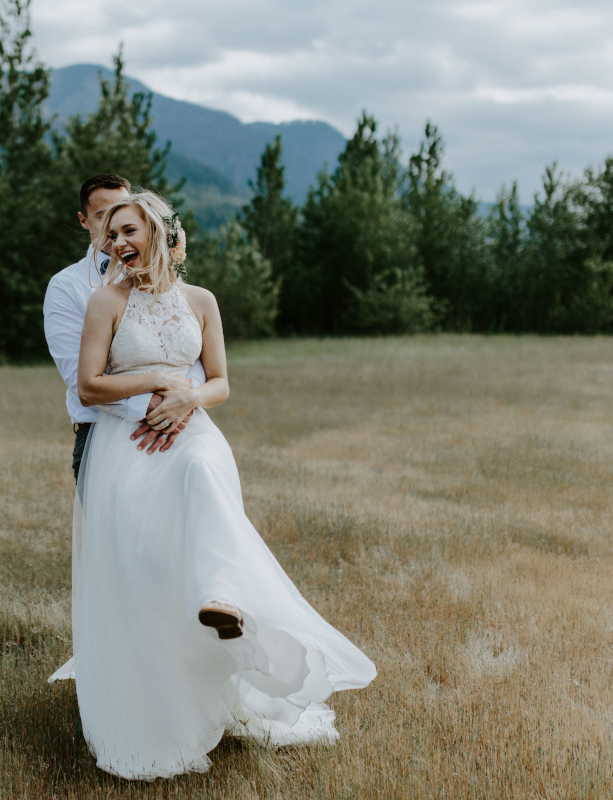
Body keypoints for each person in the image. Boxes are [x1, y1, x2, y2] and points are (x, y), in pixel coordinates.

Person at [49, 190, 376, 780]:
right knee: (147, 570)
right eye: (111, 234)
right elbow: (91, 386)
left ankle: (222, 595)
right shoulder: (105, 302)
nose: (119, 243)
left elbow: (221, 381)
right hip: (131, 443)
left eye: (130, 231)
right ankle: (161, 704)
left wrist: (190, 397)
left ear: (156, 231)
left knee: (202, 471)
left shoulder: (201, 301)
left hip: (194, 430)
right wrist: (158, 381)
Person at [43, 175, 206, 483]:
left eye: (124, 213)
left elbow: (188, 350)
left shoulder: (171, 284)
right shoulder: (66, 287)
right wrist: (152, 405)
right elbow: (81, 379)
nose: (114, 228)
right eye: (103, 216)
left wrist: (185, 399)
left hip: (181, 423)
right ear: (83, 220)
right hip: (102, 433)